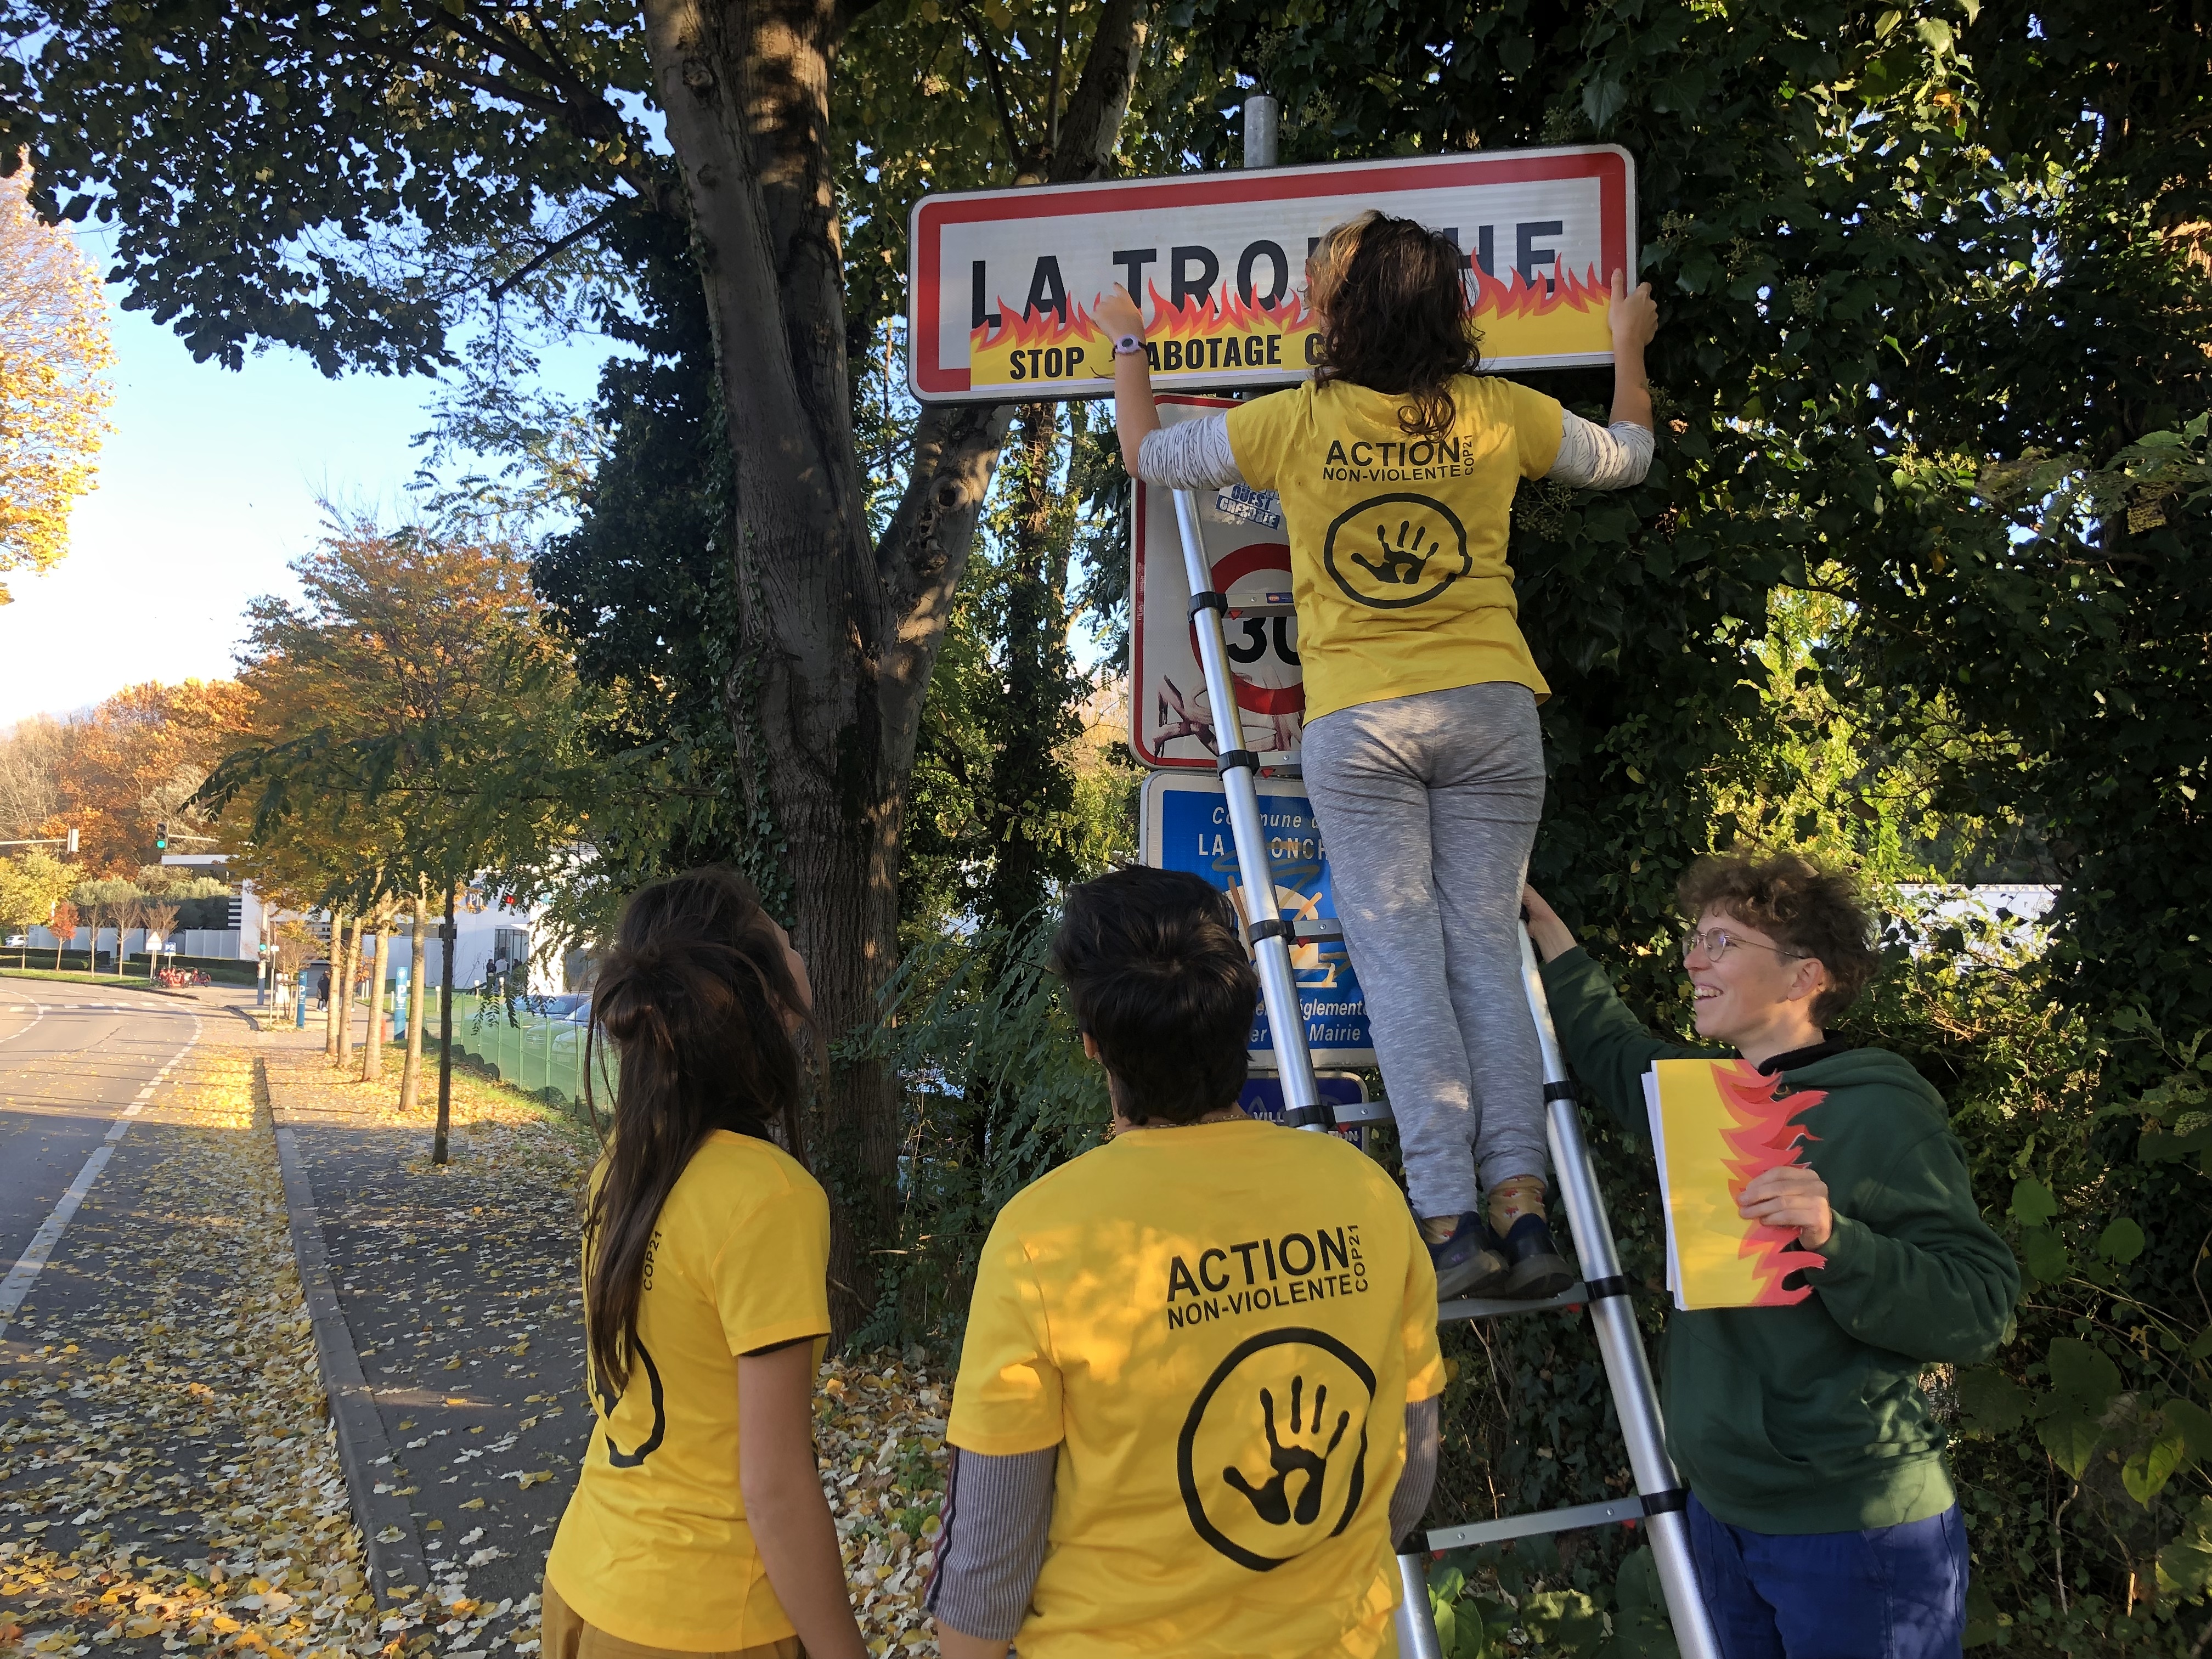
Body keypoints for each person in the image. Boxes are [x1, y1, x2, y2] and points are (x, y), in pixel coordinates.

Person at [1097, 212, 1660, 1302]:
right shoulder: (1500, 412)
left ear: (1343, 310)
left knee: (1402, 966)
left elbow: (1147, 453)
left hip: (1364, 725)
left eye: (1320, 277)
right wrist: (1628, 341)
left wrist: (1130, 340)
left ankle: (1449, 1225)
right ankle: (1525, 1213)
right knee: (1486, 960)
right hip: (1494, 714)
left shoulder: (1296, 422)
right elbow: (1628, 458)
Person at [928, 866, 1446, 1659]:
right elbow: (1408, 1477)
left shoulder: (1042, 1238)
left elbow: (989, 1559)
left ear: (1095, 1044)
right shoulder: (1366, 1195)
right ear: (1244, 1023)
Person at [1521, 855, 2019, 1659]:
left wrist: (1837, 1240)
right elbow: (1610, 1046)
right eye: (1695, 937)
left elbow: (1981, 1311)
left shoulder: (1885, 1110)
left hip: (1854, 1527)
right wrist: (1546, 932)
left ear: (1803, 977)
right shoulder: (1698, 1097)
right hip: (1719, 1514)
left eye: (1721, 941)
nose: (1691, 959)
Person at [542, 867, 866, 1659]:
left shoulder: (626, 1160)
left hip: (589, 1582)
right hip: (708, 1620)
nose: (801, 951)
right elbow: (776, 1486)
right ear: (760, 997)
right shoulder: (766, 1198)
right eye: (786, 941)